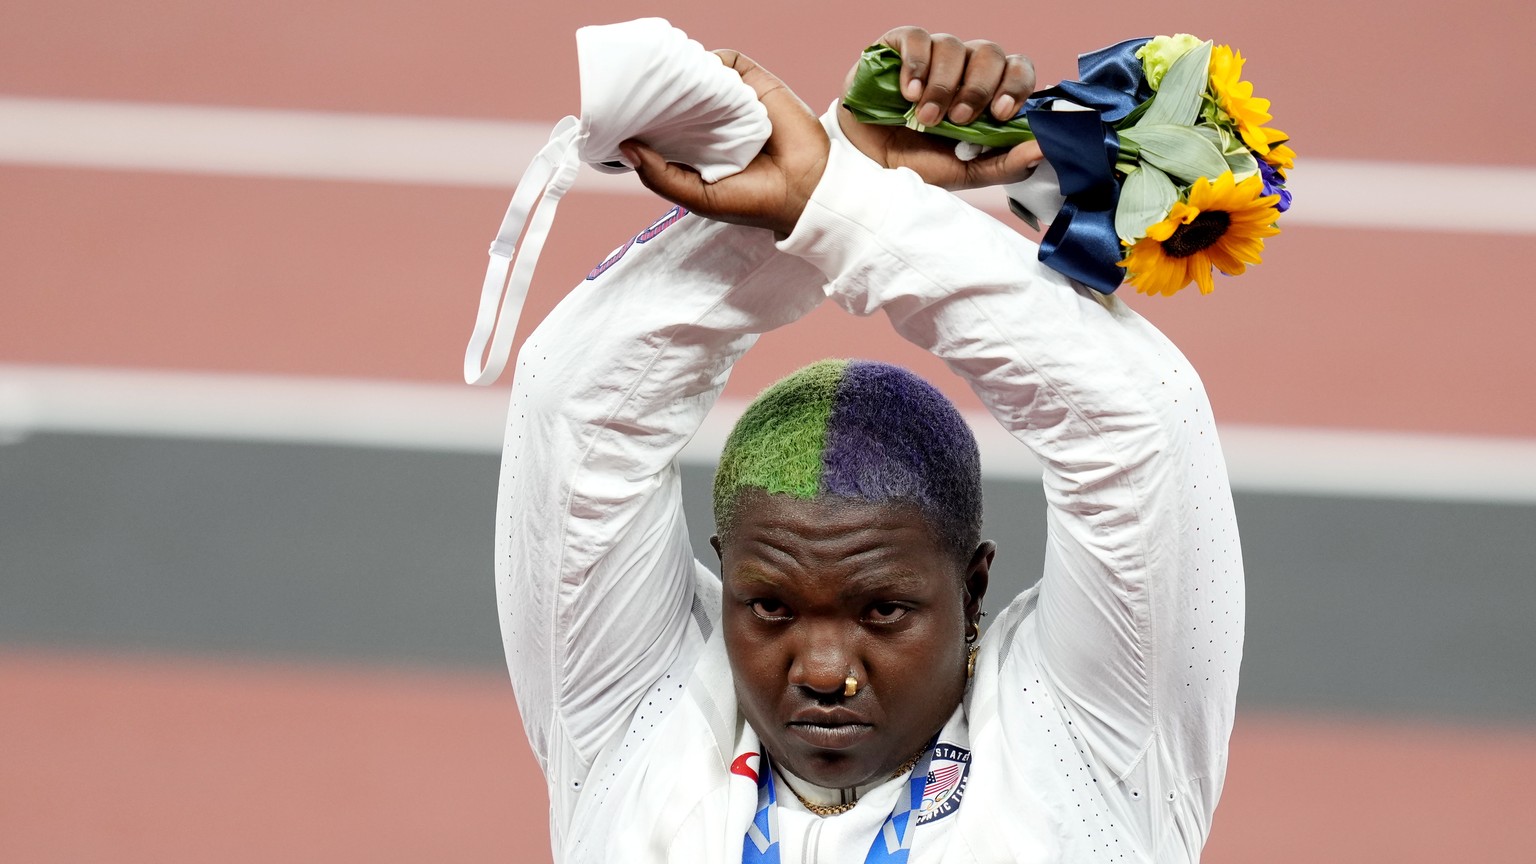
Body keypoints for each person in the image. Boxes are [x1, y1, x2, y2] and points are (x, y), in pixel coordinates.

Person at [494, 28, 1244, 863]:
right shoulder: (638, 709)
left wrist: (843, 204)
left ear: (973, 587)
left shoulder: (1090, 740)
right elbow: (579, 402)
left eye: (882, 611)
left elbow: (1138, 425)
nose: (821, 671)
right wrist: (832, 180)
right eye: (770, 608)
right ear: (726, 578)